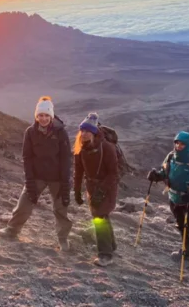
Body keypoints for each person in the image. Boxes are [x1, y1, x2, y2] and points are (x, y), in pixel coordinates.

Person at [0, 96, 73, 251]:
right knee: (24, 203)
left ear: (51, 116)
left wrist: (65, 182)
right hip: (37, 175)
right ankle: (12, 230)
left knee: (61, 209)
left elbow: (66, 158)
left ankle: (63, 239)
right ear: (36, 116)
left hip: (57, 177)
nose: (43, 118)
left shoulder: (60, 133)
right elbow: (27, 157)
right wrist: (29, 179)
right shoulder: (30, 132)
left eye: (46, 115)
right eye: (40, 115)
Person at [147, 131, 189, 274]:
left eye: (182, 144)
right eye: (177, 143)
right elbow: (165, 172)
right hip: (174, 198)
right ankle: (187, 251)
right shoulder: (171, 156)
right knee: (181, 226)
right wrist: (156, 176)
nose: (179, 146)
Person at [73, 113, 119, 266]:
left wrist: (102, 191)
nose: (84, 134)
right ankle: (111, 246)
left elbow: (114, 174)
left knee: (99, 217)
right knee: (101, 215)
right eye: (82, 131)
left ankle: (105, 255)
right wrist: (77, 190)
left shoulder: (106, 147)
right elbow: (78, 171)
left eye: (87, 131)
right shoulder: (80, 148)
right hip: (92, 187)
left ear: (94, 132)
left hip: (107, 187)